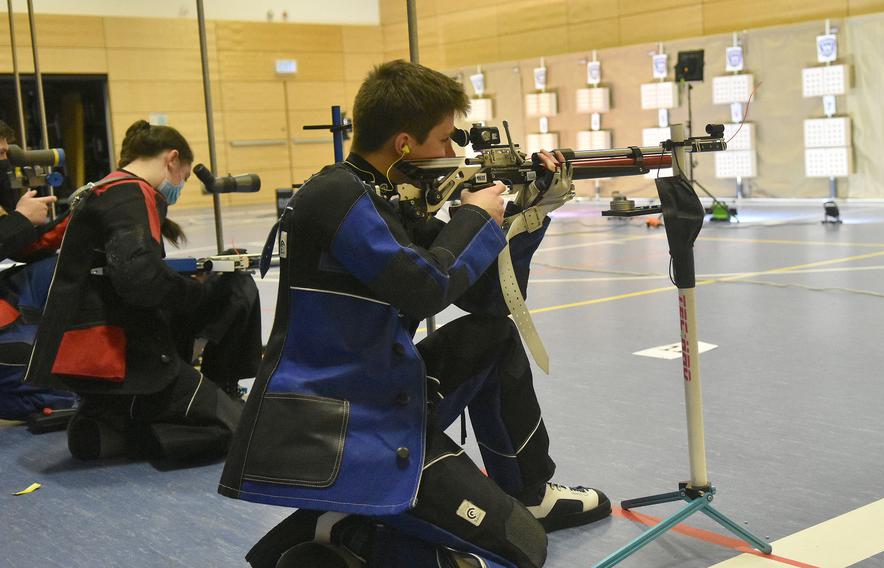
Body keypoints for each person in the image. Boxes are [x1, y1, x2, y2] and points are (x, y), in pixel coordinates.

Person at [218, 61, 611, 568]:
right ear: (405, 142)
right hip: (342, 421)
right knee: (520, 545)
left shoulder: (386, 198)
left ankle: (528, 489)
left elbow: (483, 299)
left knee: (492, 337)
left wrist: (528, 215)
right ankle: (336, 533)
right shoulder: (338, 195)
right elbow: (427, 287)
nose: (454, 153)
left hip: (385, 387)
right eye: (446, 139)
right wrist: (474, 217)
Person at [24, 120, 260, 462]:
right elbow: (139, 279)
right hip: (126, 359)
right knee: (243, 432)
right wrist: (199, 295)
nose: (180, 186)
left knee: (229, 286)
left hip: (93, 355)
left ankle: (109, 421)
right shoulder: (129, 195)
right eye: (184, 176)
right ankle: (129, 432)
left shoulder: (103, 188)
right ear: (172, 159)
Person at [0, 120, 76, 420]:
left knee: (67, 266)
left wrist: (73, 221)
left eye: (7, 153)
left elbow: (18, 246)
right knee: (46, 365)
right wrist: (21, 219)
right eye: (2, 153)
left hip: (8, 297)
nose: (6, 160)